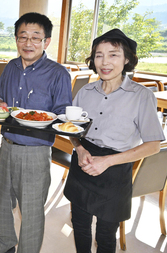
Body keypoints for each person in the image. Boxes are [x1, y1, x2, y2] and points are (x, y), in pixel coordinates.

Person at [64, 29, 165, 252]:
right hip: (83, 161)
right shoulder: (86, 91)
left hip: (115, 169)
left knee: (106, 235)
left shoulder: (141, 96)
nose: (104, 62)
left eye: (113, 54)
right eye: (99, 55)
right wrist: (79, 149)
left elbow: (153, 145)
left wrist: (106, 161)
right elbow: (72, 128)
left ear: (127, 59)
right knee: (79, 226)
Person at [0, 12, 72, 253]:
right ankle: (3, 244)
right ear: (16, 39)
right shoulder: (11, 67)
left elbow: (62, 114)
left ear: (46, 42)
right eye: (23, 37)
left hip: (36, 151)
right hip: (7, 146)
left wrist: (42, 120)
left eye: (36, 37)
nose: (28, 43)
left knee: (31, 211)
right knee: (2, 201)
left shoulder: (58, 74)